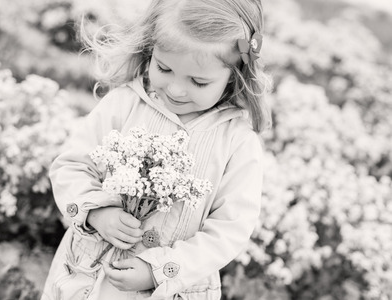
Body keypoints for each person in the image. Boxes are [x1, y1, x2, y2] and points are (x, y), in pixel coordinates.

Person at [41, 0, 271, 299]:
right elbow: (71, 166)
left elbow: (230, 229)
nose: (175, 89)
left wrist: (159, 269)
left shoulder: (238, 142)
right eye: (163, 68)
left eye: (198, 82)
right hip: (87, 274)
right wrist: (98, 212)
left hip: (170, 290)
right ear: (150, 51)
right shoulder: (123, 104)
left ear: (235, 76)